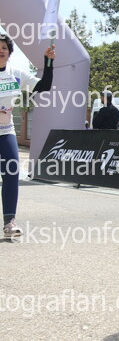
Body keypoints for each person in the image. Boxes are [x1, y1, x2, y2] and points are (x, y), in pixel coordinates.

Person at [0, 35, 56, 237]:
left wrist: (48, 62)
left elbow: (44, 86)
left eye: (4, 47)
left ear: (9, 52)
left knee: (11, 173)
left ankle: (9, 222)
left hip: (6, 132)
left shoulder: (16, 74)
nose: (1, 50)